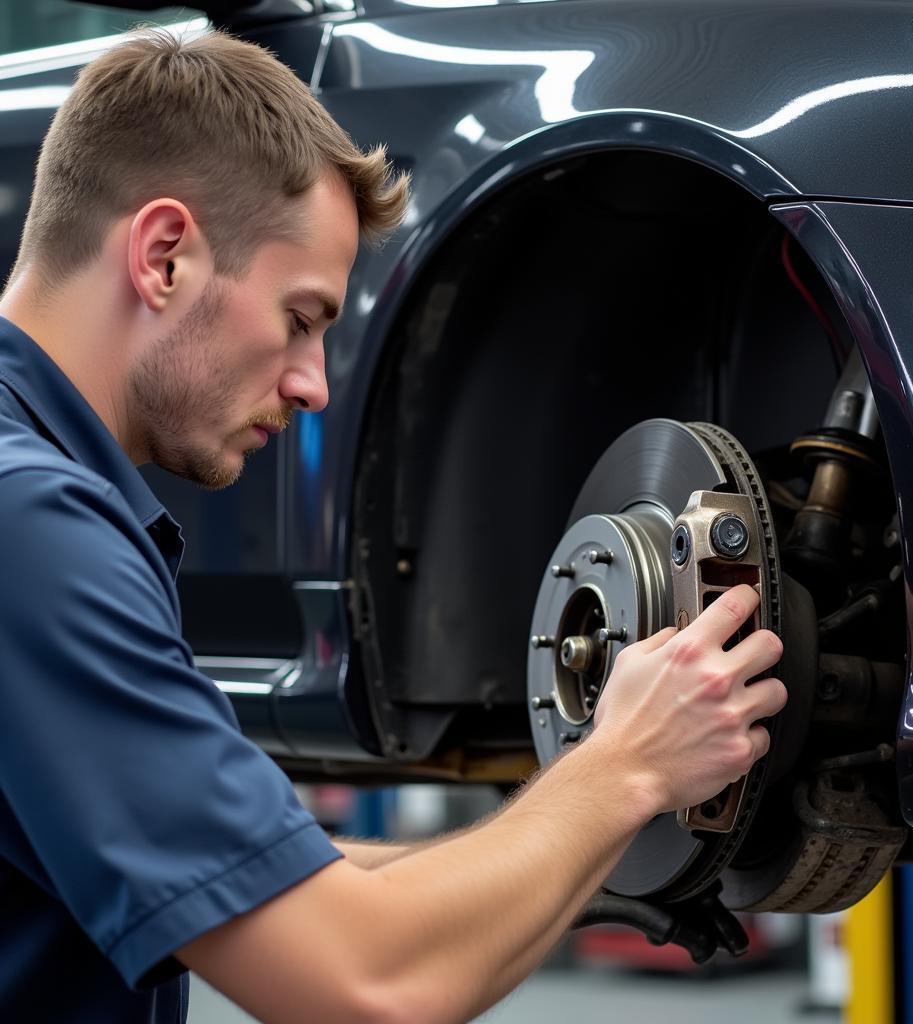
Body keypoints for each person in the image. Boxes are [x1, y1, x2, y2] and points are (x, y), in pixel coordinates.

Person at [0, 27, 787, 1024]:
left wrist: (574, 860)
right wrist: (624, 764)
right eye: (300, 316)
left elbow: (289, 879)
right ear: (163, 258)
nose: (313, 384)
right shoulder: (32, 529)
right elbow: (367, 982)